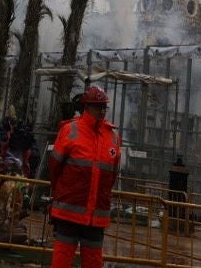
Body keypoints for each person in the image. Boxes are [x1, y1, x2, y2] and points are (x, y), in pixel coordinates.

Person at [46, 84, 123, 268]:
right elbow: (54, 168)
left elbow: (111, 176)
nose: (102, 111)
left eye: (104, 107)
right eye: (98, 107)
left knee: (94, 262)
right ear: (86, 107)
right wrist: (62, 195)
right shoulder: (70, 130)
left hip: (96, 215)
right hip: (69, 212)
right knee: (62, 261)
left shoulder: (112, 137)